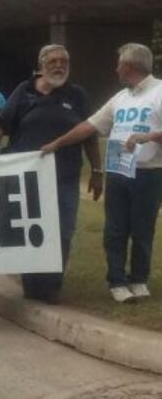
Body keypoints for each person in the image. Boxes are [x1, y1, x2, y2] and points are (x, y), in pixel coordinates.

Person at [39, 43, 160, 304]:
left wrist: (148, 136)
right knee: (115, 230)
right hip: (118, 172)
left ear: (129, 66)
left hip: (148, 174)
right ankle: (116, 280)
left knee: (142, 230)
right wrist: (58, 143)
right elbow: (90, 125)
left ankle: (138, 279)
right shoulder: (121, 97)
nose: (116, 68)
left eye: (119, 64)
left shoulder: (159, 92)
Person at [0, 44, 100, 304]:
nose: (59, 66)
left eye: (63, 62)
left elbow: (89, 133)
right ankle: (32, 284)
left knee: (63, 232)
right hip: (28, 179)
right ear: (41, 65)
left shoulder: (77, 95)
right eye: (53, 61)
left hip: (64, 177)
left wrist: (97, 170)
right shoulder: (24, 91)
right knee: (32, 232)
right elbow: (1, 122)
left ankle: (51, 287)